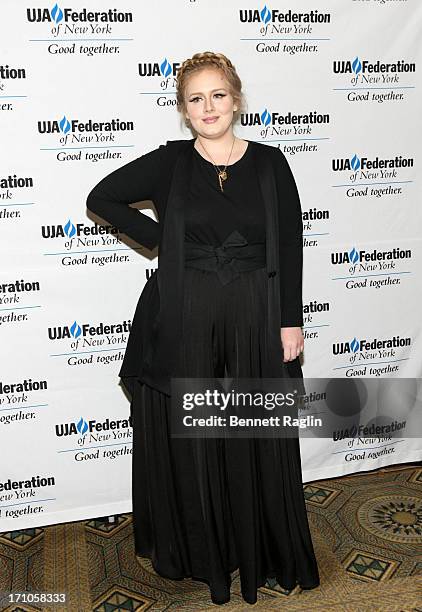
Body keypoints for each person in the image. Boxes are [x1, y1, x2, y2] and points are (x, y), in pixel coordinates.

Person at [86, 51, 320, 605]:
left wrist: (291, 320)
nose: (209, 106)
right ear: (184, 111)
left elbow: (289, 244)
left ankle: (259, 547)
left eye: (218, 95)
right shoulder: (169, 164)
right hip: (186, 317)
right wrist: (162, 241)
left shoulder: (270, 162)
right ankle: (207, 554)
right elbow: (102, 197)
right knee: (197, 436)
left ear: (236, 100)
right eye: (197, 99)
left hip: (256, 318)